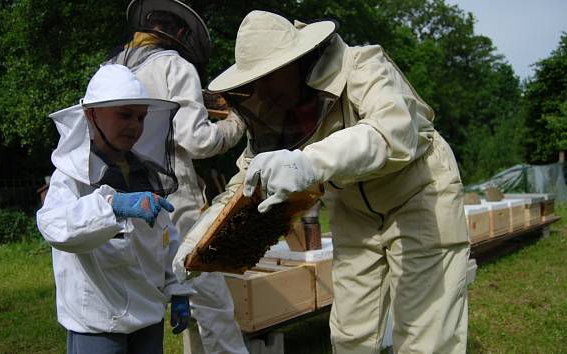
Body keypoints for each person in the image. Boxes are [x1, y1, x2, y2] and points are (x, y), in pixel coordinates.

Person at [174, 10, 470, 354]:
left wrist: (308, 162)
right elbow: (246, 182)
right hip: (355, 210)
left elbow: (393, 133)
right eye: (255, 81)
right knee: (350, 335)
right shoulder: (274, 116)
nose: (263, 91)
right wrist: (197, 239)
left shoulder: (363, 66)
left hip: (419, 192)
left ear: (297, 62)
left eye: (268, 76)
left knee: (425, 336)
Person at [106, 1, 248, 354]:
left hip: (121, 199)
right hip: (173, 197)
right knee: (211, 299)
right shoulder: (176, 66)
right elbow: (197, 141)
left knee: (139, 298)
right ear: (180, 33)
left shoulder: (108, 68)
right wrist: (236, 125)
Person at [37, 64, 193, 354]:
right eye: (124, 115)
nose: (134, 125)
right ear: (92, 114)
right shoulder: (72, 174)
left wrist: (178, 288)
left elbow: (163, 238)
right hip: (97, 318)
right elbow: (55, 226)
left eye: (141, 117)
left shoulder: (143, 172)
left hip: (147, 312)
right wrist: (113, 206)